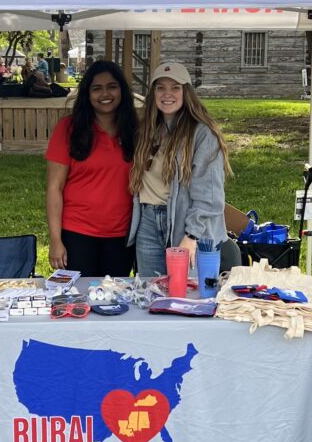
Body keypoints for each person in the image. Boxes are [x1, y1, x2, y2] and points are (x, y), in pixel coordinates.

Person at [129, 61, 232, 278]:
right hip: (148, 221)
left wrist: (192, 235)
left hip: (185, 223)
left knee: (186, 297)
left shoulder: (203, 134)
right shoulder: (148, 129)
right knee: (151, 292)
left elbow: (211, 194)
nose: (168, 94)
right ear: (153, 93)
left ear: (186, 92)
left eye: (175, 87)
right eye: (161, 87)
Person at [45, 60, 138, 278]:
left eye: (112, 86)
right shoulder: (69, 129)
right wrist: (56, 240)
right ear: (87, 94)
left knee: (115, 301)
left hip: (122, 235)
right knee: (78, 302)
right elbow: (53, 188)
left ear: (122, 90)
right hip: (77, 233)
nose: (105, 94)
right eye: (97, 88)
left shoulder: (135, 130)